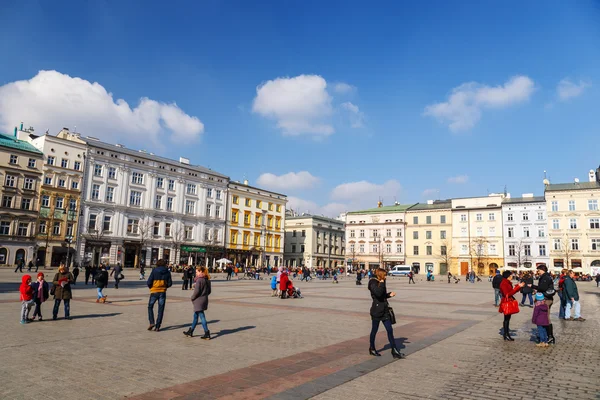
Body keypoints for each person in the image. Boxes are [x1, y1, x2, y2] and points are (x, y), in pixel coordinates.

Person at [368, 269, 404, 359]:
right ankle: (372, 348)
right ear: (380, 275)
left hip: (384, 310)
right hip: (376, 310)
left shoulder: (381, 281)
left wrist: (389, 295)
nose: (386, 276)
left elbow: (382, 295)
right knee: (374, 330)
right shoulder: (373, 282)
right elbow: (378, 294)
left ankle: (394, 350)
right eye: (385, 275)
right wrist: (382, 282)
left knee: (390, 330)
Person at [183, 266, 212, 339]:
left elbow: (197, 292)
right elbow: (209, 291)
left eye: (197, 272)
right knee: (195, 316)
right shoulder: (207, 279)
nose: (196, 273)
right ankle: (191, 331)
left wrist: (192, 297)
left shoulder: (199, 280)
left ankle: (207, 332)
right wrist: (204, 295)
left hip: (198, 300)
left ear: (201, 272)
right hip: (204, 299)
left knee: (202, 316)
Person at [531, 265, 556, 344]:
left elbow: (543, 288)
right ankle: (545, 335)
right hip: (546, 298)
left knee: (546, 318)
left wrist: (532, 286)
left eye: (538, 270)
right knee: (545, 317)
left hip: (546, 299)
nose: (537, 272)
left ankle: (550, 336)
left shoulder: (545, 277)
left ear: (542, 270)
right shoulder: (545, 277)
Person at [499, 270, 525, 341]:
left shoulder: (507, 282)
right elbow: (507, 294)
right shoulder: (504, 283)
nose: (512, 277)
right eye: (511, 275)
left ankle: (506, 334)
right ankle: (506, 334)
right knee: (506, 319)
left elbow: (511, 291)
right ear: (508, 276)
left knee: (507, 319)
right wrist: (517, 287)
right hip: (506, 302)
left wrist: (518, 286)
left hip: (508, 301)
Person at [147, 259, 172, 332]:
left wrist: (151, 287)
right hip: (162, 292)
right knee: (161, 309)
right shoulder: (167, 272)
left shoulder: (154, 271)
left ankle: (152, 322)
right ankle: (157, 326)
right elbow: (170, 283)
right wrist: (165, 286)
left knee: (150, 307)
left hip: (154, 291)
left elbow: (149, 282)